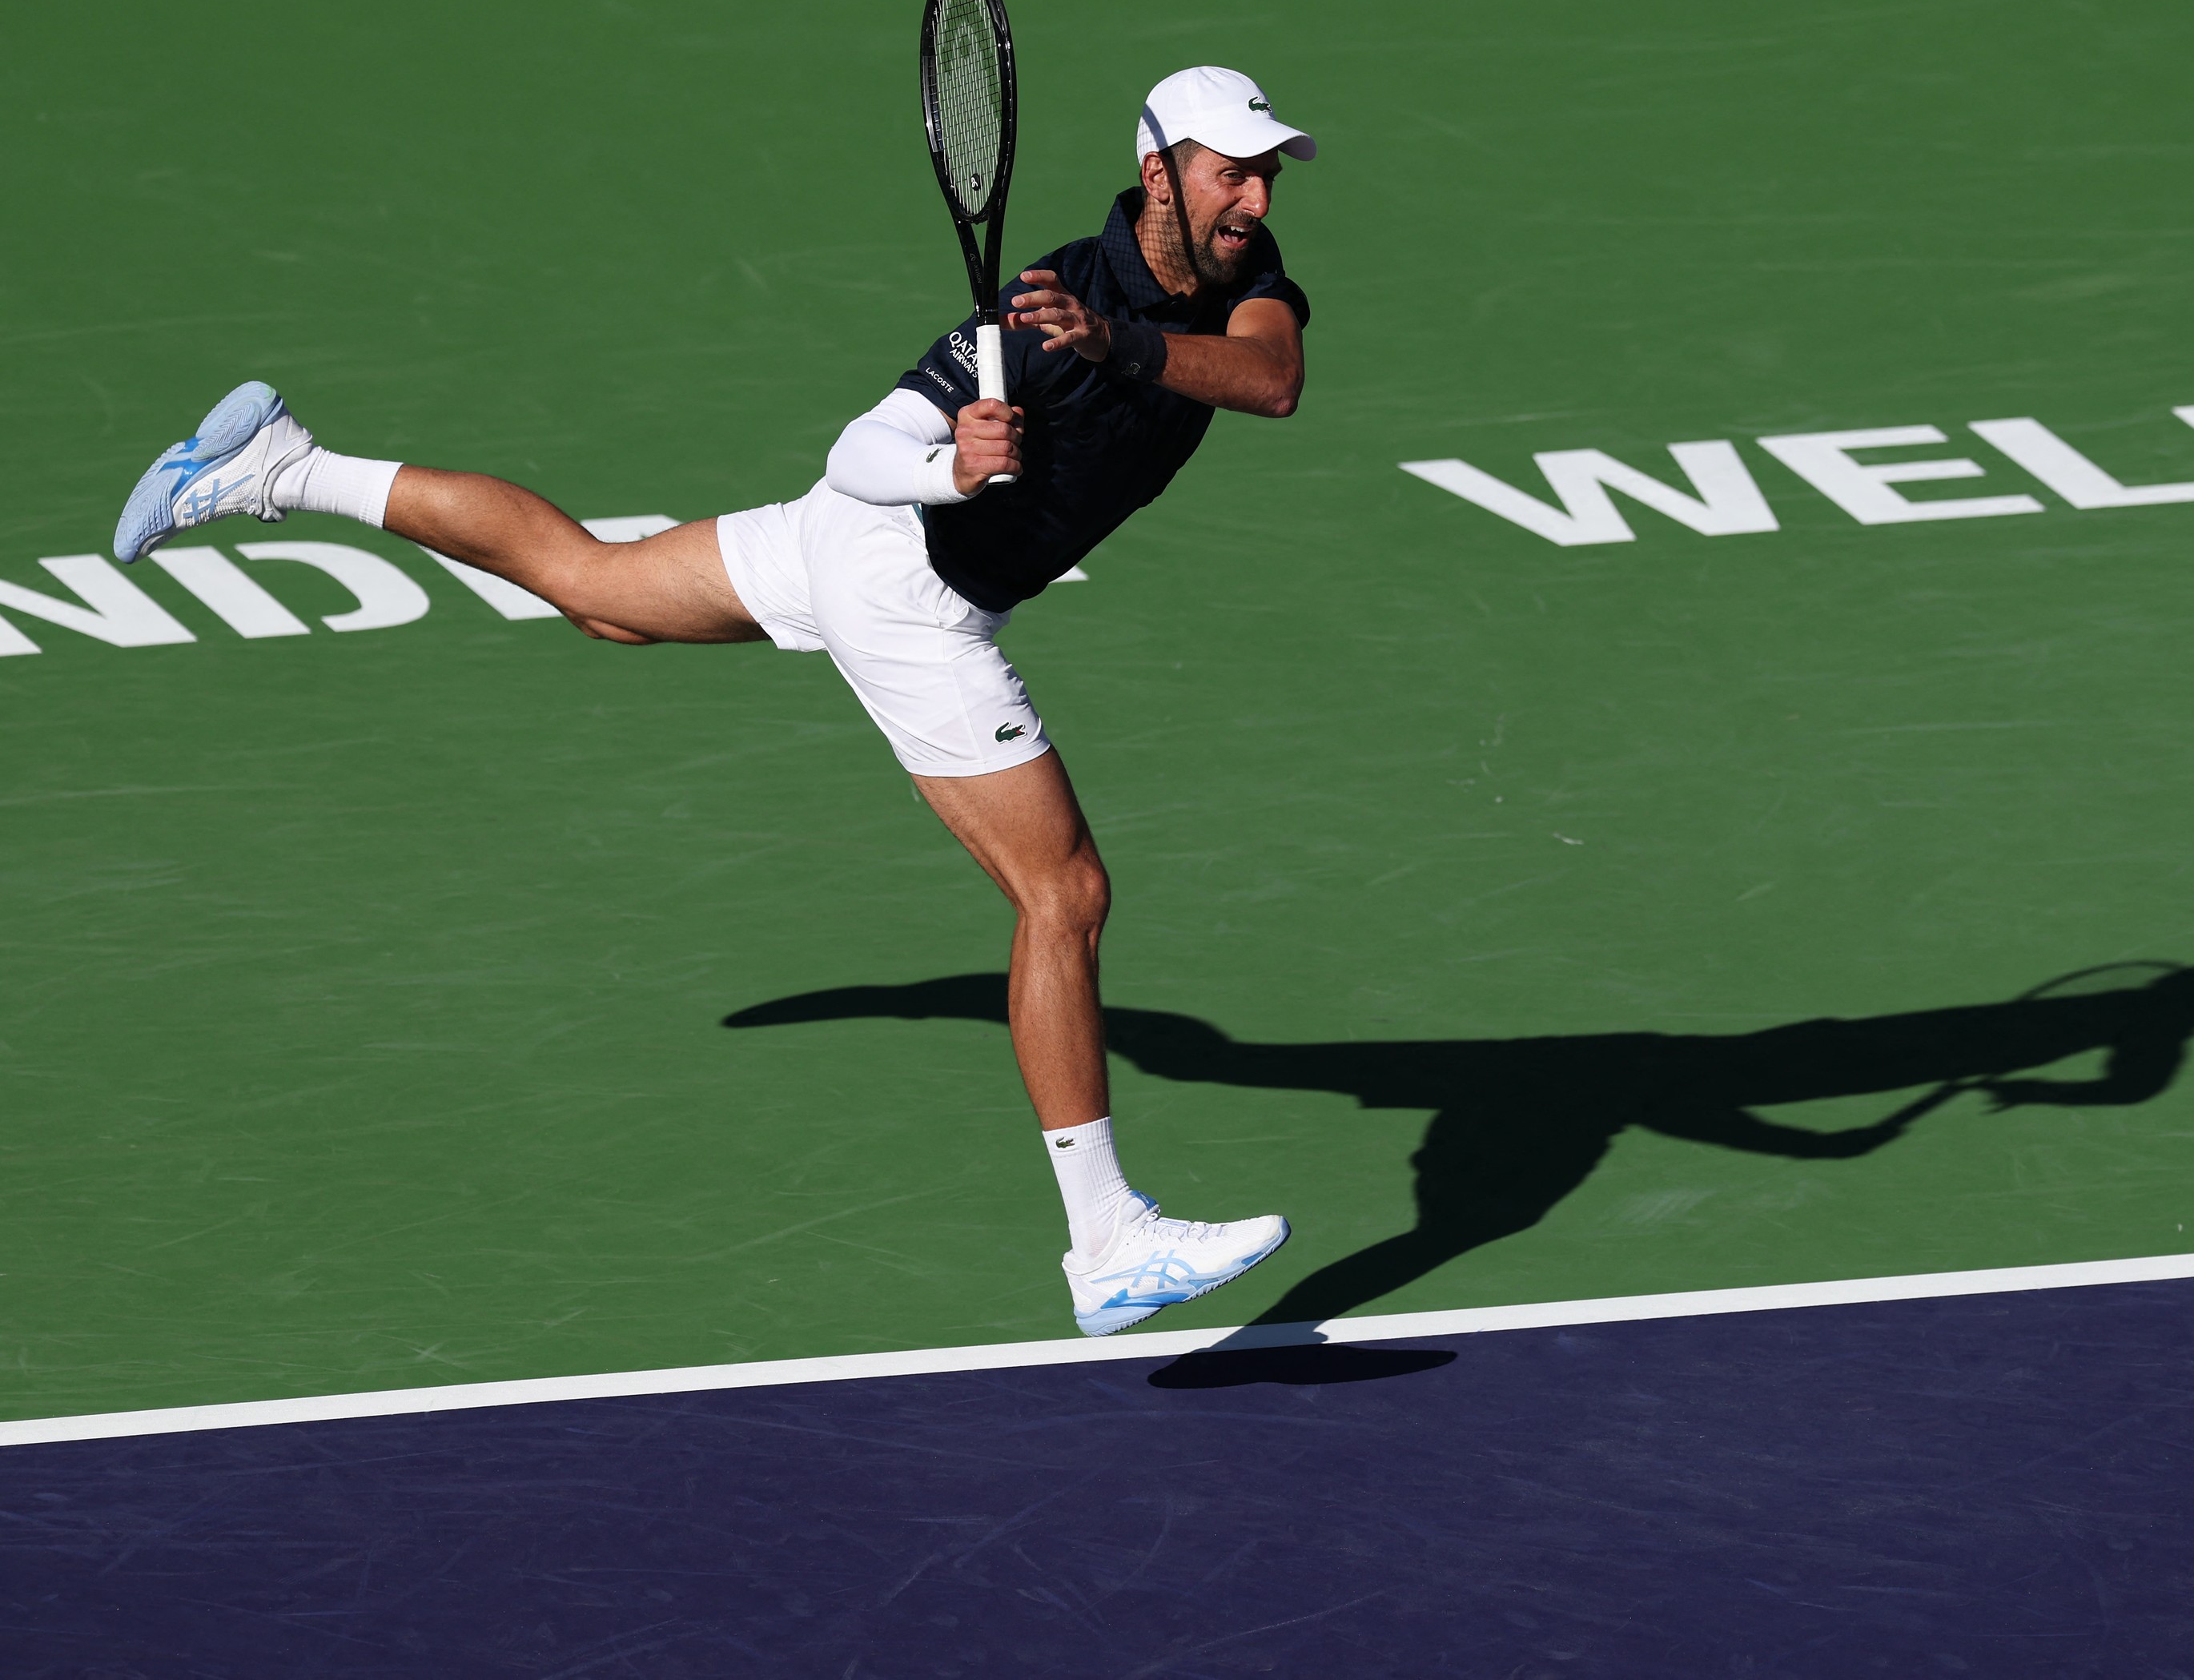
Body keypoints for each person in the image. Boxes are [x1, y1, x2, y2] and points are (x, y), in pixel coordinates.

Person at [110, 65, 1317, 1339]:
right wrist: (950, 471)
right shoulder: (1033, 302)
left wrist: (1115, 346)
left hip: (836, 548)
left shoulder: (1243, 277)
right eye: (1228, 169)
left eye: (1264, 167)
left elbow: (1271, 379)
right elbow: (863, 448)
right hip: (904, 581)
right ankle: (1107, 1240)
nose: (1255, 192)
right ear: (1157, 174)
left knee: (595, 589)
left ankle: (280, 467)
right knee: (1062, 895)